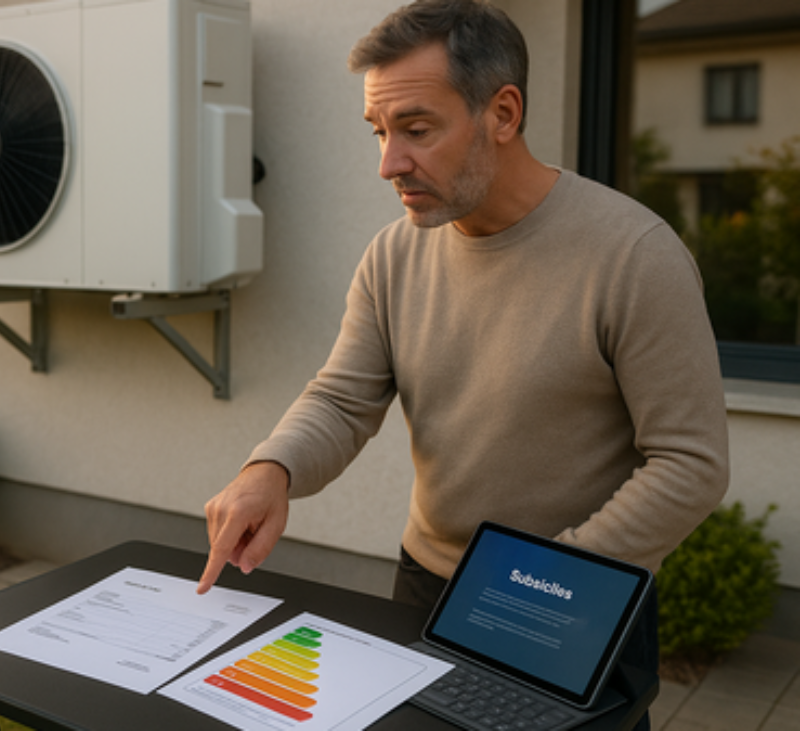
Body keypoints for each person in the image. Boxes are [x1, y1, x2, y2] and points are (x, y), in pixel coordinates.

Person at [196, 1, 729, 725]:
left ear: (503, 113)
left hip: (575, 600)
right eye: (379, 133)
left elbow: (689, 461)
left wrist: (539, 584)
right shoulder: (393, 256)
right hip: (426, 585)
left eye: (416, 130)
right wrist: (272, 469)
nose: (389, 163)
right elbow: (343, 398)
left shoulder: (635, 256)